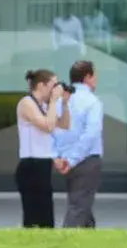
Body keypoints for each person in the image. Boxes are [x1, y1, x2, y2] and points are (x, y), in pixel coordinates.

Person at [16, 69, 70, 228]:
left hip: (44, 165)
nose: (55, 90)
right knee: (33, 218)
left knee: (47, 218)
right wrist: (53, 102)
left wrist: (64, 103)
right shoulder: (26, 103)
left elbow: (65, 124)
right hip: (30, 166)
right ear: (41, 85)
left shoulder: (45, 106)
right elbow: (48, 126)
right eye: (53, 85)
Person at [54, 60, 104, 227]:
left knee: (82, 203)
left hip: (67, 160)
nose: (96, 80)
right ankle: (67, 240)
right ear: (87, 77)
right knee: (79, 207)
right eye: (95, 76)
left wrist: (61, 157)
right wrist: (73, 159)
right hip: (85, 159)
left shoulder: (61, 101)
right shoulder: (92, 101)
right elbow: (91, 134)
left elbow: (55, 130)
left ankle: (89, 238)